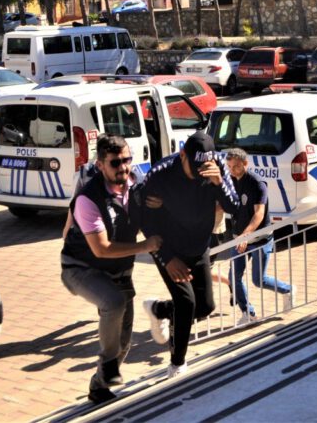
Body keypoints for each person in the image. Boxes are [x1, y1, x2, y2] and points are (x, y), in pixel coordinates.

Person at [60, 135, 161, 404]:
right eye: (115, 162)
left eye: (127, 160)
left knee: (124, 341)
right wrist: (144, 246)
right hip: (80, 268)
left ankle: (99, 385)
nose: (123, 167)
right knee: (114, 303)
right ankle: (106, 369)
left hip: (119, 271)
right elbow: (101, 248)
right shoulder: (88, 198)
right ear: (100, 164)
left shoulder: (136, 184)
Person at [138, 131, 240, 378]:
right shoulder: (161, 173)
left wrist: (219, 184)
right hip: (169, 247)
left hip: (198, 246)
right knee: (186, 303)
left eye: (203, 167)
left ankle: (160, 309)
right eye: (194, 167)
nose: (199, 174)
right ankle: (177, 365)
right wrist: (167, 258)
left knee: (204, 306)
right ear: (182, 154)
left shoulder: (215, 167)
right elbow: (143, 216)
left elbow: (234, 206)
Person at [224, 147, 295, 325]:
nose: (232, 170)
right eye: (229, 166)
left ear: (245, 164)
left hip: (260, 239)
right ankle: (248, 312)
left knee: (259, 280)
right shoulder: (230, 181)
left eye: (236, 167)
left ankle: (287, 290)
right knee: (234, 276)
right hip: (239, 238)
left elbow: (259, 214)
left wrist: (245, 237)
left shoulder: (257, 184)